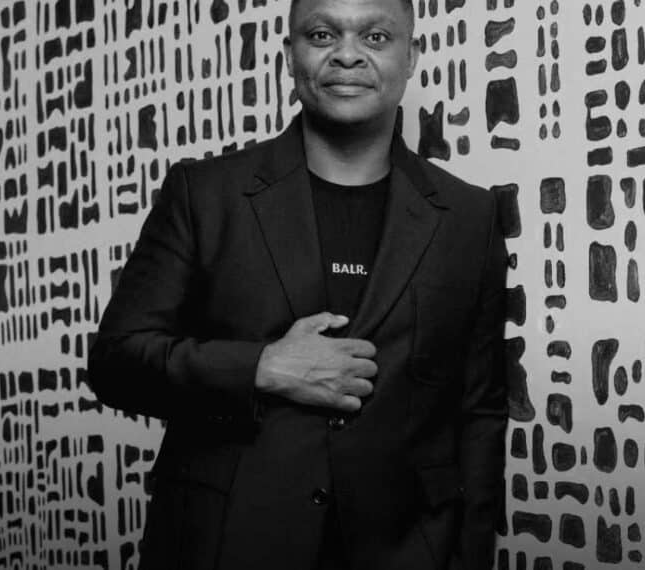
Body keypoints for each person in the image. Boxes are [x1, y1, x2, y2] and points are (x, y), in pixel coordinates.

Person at [86, 0, 508, 565]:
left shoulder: (469, 217)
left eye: (376, 37)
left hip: (406, 549)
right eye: (322, 34)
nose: (348, 55)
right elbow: (115, 362)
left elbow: (479, 411)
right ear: (290, 56)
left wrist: (470, 556)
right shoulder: (203, 194)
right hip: (227, 543)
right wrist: (261, 368)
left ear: (411, 57)